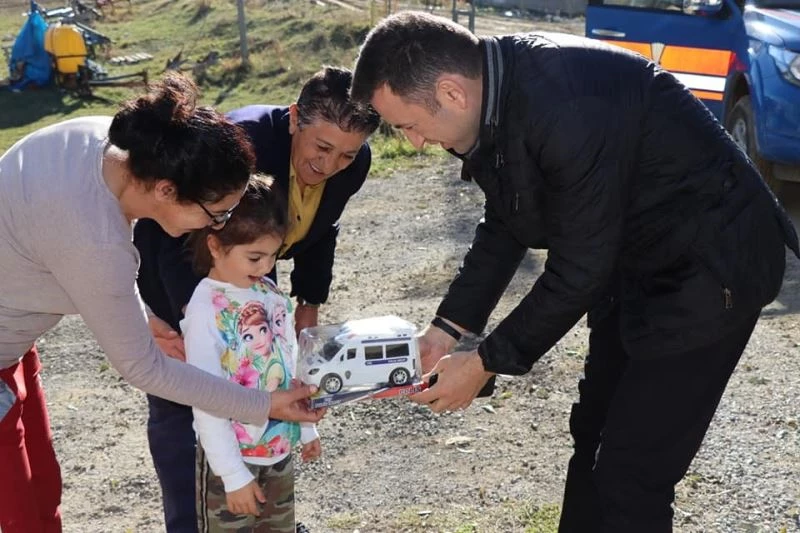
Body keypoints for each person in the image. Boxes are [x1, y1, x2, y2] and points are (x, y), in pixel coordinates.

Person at [350, 11, 800, 533]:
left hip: (710, 267)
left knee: (632, 473)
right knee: (592, 433)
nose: (413, 142)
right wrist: (449, 329)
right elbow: (506, 222)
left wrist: (484, 363)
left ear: (452, 93)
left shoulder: (565, 105)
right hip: (635, 264)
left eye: (407, 125)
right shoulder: (496, 96)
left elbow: (579, 269)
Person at [0, 73, 323, 533]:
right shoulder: (94, 240)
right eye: (216, 215)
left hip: (13, 341)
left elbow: (56, 249)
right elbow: (144, 369)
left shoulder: (105, 146)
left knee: (41, 492)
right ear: (167, 190)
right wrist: (263, 403)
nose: (219, 225)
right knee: (14, 513)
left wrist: (144, 317)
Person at [133, 66, 379, 532]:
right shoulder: (241, 143)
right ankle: (193, 522)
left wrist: (307, 302)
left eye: (346, 155)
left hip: (247, 273)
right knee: (186, 403)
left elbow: (322, 228)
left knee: (262, 385)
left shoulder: (353, 163)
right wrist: (196, 318)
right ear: (293, 119)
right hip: (181, 277)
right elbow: (171, 235)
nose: (329, 166)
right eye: (321, 148)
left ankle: (266, 515)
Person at [183, 174, 321, 532]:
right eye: (254, 257)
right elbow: (204, 396)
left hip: (278, 452)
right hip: (232, 460)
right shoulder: (205, 307)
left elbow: (289, 365)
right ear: (215, 246)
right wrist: (231, 474)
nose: (264, 267)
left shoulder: (271, 293)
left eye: (273, 256)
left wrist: (305, 427)